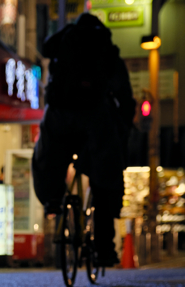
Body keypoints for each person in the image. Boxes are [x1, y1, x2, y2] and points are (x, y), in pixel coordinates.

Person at [32, 13, 135, 267]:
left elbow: (45, 54)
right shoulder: (107, 52)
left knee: (49, 155)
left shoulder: (63, 43)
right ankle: (104, 248)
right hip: (96, 118)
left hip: (59, 114)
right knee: (104, 176)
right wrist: (122, 128)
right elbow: (125, 97)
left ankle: (53, 200)